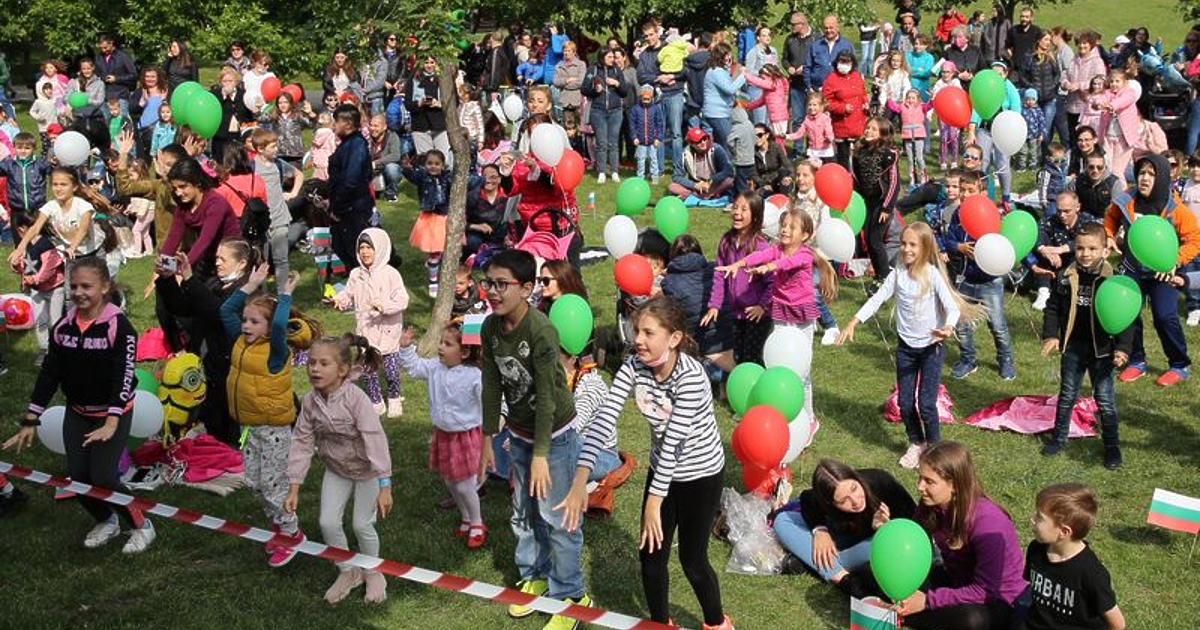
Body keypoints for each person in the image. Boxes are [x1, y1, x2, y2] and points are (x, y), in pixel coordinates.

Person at [560, 297, 734, 630]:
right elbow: (604, 418)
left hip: (700, 475)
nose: (638, 338)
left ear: (673, 338)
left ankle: (717, 623)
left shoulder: (692, 377)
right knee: (651, 558)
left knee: (693, 561)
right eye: (637, 330)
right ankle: (659, 624)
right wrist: (581, 477)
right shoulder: (633, 366)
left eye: (648, 333)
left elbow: (674, 442)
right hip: (663, 471)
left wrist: (655, 500)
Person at [4, 257, 156, 553]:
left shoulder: (119, 327)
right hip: (77, 414)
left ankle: (141, 525)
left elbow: (123, 377)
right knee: (79, 479)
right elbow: (50, 372)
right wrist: (30, 418)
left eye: (87, 286)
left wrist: (111, 422)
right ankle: (106, 520)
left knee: (103, 477)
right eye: (74, 286)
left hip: (112, 413)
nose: (79, 292)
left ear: (104, 287)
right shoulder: (63, 326)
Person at [477, 249, 592, 630]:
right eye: (488, 282)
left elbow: (546, 396)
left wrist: (541, 453)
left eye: (501, 284)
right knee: (523, 513)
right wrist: (487, 438)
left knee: (558, 518)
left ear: (526, 289)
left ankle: (571, 596)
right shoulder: (491, 328)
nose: (492, 292)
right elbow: (492, 383)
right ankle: (536, 574)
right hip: (521, 435)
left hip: (554, 437)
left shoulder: (541, 330)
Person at [838, 223, 976, 467]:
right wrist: (854, 321)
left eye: (912, 244)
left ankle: (934, 449)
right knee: (903, 402)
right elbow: (878, 298)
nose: (906, 249)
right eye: (903, 243)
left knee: (926, 403)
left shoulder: (932, 274)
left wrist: (948, 327)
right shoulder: (898, 273)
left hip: (931, 347)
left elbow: (952, 308)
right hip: (906, 347)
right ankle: (917, 442)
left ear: (924, 248)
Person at [220, 265, 317, 567]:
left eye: (254, 322)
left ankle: (291, 534)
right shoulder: (240, 342)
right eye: (245, 320)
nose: (246, 326)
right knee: (254, 483)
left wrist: (285, 296)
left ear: (268, 326)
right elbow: (225, 311)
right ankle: (278, 526)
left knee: (274, 488)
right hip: (249, 427)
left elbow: (278, 328)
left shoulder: (277, 350)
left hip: (274, 430)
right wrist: (251, 285)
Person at [285, 334, 393, 604]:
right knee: (327, 522)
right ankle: (348, 571)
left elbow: (375, 438)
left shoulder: (356, 399)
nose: (315, 369)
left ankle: (373, 571)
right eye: (311, 363)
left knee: (361, 524)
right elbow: (301, 440)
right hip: (336, 469)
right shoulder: (310, 401)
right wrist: (294, 485)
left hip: (367, 471)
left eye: (323, 364)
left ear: (342, 370)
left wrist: (384, 485)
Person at [717, 208, 836, 418]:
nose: (785, 230)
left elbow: (788, 263)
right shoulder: (777, 248)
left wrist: (768, 267)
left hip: (802, 316)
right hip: (781, 312)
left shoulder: (805, 254)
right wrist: (739, 263)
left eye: (792, 227)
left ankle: (808, 417)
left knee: (802, 370)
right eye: (784, 225)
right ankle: (780, 407)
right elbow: (760, 254)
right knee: (778, 364)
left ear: (806, 235)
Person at [896, 441, 1027, 630]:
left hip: (997, 601)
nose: (920, 487)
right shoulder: (931, 503)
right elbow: (912, 538)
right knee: (888, 577)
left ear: (955, 485)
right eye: (920, 478)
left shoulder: (989, 523)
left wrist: (927, 601)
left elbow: (985, 590)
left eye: (929, 481)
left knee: (969, 620)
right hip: (956, 582)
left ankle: (907, 618)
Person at [1039, 222, 1130, 467]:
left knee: (1105, 400)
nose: (1085, 254)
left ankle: (1112, 447)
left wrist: (1122, 349)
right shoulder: (1066, 277)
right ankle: (1058, 438)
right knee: (1067, 395)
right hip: (1073, 348)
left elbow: (1128, 319)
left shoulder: (1115, 282)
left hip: (1103, 351)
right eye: (1080, 248)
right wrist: (1052, 335)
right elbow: (1053, 308)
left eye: (1092, 248)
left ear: (1105, 251)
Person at [1105, 155, 1200, 386]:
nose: (1144, 178)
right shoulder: (1126, 200)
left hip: (1162, 273)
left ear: (1163, 178)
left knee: (1165, 316)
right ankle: (1137, 360)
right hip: (1132, 269)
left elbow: (1194, 239)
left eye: (1151, 174)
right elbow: (1111, 216)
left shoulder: (1175, 209)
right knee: (1128, 314)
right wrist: (1108, 236)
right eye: (1141, 173)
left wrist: (1175, 261)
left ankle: (1179, 364)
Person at [154, 240, 257, 446]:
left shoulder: (249, 290)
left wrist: (191, 279)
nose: (217, 263)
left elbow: (218, 312)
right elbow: (182, 307)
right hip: (205, 366)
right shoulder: (213, 283)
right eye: (216, 258)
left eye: (222, 259)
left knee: (227, 428)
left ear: (242, 263)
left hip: (229, 370)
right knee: (209, 421)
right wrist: (167, 280)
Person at [398, 322, 486, 548]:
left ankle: (477, 522)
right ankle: (466, 517)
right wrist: (406, 348)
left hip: (466, 437)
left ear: (465, 351)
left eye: (447, 344)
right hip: (444, 436)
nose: (440, 348)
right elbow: (414, 367)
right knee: (450, 482)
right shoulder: (435, 368)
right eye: (441, 342)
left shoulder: (474, 375)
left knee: (465, 485)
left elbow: (489, 405)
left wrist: (491, 434)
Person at [773, 460, 916, 592]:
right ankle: (841, 576)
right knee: (782, 520)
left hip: (877, 544)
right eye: (843, 501)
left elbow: (914, 526)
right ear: (830, 503)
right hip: (843, 536)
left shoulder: (881, 483)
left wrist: (884, 530)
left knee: (887, 548)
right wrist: (820, 531)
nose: (855, 501)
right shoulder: (823, 499)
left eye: (854, 488)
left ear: (856, 477)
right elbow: (806, 499)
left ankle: (825, 567)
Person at [1025, 483, 1126, 630]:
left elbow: (1118, 624)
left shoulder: (1091, 573)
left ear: (1064, 532)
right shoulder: (1036, 549)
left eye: (1040, 517)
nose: (1032, 519)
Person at [331, 229, 408, 418]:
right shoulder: (356, 274)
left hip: (387, 332)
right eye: (362, 247)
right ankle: (376, 402)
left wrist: (383, 307)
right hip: (365, 333)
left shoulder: (391, 274)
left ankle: (394, 398)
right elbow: (348, 294)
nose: (365, 252)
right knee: (368, 371)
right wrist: (339, 301)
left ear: (380, 249)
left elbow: (402, 299)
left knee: (391, 372)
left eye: (369, 248)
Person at [948, 170, 1016, 381]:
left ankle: (1005, 360)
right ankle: (968, 359)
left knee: (997, 324)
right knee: (961, 324)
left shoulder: (992, 214)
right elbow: (947, 240)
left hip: (990, 282)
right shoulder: (957, 215)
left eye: (971, 190)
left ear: (982, 192)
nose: (966, 194)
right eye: (963, 190)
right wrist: (958, 246)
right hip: (966, 279)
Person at [8, 167, 107, 266]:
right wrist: (21, 247)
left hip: (94, 252)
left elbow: (83, 230)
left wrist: (73, 246)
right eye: (55, 184)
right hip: (72, 255)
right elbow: (36, 227)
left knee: (97, 281)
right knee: (70, 282)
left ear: (74, 187)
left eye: (63, 185)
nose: (59, 189)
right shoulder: (50, 207)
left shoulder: (83, 207)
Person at [160, 158, 241, 276]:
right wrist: (163, 266)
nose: (178, 193)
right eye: (175, 188)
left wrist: (182, 270)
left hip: (230, 259)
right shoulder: (183, 205)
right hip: (207, 258)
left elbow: (205, 239)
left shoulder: (216, 203)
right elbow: (174, 237)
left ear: (197, 183)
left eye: (183, 187)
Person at [10, 213, 65, 363]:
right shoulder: (25, 245)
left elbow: (49, 268)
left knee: (55, 321)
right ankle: (44, 350)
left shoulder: (46, 244)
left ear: (23, 228)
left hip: (55, 289)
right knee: (40, 320)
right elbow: (26, 266)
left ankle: (58, 351)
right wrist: (17, 265)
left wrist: (33, 279)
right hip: (37, 290)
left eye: (18, 231)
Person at [327, 104, 373, 275]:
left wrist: (338, 207)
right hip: (345, 205)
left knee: (355, 249)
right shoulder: (347, 144)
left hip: (353, 206)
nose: (334, 126)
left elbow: (351, 179)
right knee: (341, 246)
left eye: (336, 122)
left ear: (347, 123)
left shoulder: (356, 145)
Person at [636, 19, 686, 177]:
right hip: (657, 96)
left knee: (676, 133)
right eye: (646, 36)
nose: (649, 38)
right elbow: (641, 76)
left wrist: (672, 75)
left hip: (675, 93)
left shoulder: (671, 48)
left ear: (657, 33)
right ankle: (659, 169)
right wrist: (659, 78)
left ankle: (678, 170)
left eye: (651, 34)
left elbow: (684, 71)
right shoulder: (644, 55)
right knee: (658, 134)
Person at [853, 117, 900, 279]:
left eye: (874, 129)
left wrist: (887, 207)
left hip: (882, 203)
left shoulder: (889, 154)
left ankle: (885, 275)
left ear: (882, 133)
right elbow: (857, 179)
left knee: (875, 240)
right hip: (867, 202)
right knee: (867, 238)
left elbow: (894, 183)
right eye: (867, 128)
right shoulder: (859, 152)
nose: (868, 131)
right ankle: (879, 275)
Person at [1031, 191, 1093, 310]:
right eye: (1059, 211)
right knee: (1042, 249)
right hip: (1053, 264)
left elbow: (1090, 240)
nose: (1062, 215)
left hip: (1076, 264)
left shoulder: (1087, 221)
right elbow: (1037, 233)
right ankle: (1043, 290)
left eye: (1067, 211)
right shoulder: (1050, 221)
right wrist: (1044, 250)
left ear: (1077, 207)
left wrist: (1062, 249)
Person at [403, 150, 453, 297]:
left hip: (444, 216)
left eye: (437, 164)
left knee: (444, 248)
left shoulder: (447, 177)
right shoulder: (422, 177)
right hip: (430, 217)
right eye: (430, 163)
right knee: (434, 251)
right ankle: (433, 281)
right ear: (425, 165)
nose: (433, 167)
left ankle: (437, 268)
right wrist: (407, 168)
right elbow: (412, 176)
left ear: (443, 165)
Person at [584, 49, 629, 184]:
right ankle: (602, 171)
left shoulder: (616, 71)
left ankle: (615, 171)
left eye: (614, 57)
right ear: (602, 57)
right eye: (610, 57)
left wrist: (617, 84)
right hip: (598, 110)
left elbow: (624, 92)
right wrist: (594, 89)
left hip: (615, 111)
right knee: (601, 142)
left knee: (613, 142)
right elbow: (584, 89)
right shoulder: (593, 70)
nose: (613, 59)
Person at [822, 50, 867, 168]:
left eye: (847, 62)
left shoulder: (857, 76)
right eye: (842, 61)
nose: (844, 64)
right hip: (842, 125)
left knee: (860, 158)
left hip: (858, 124)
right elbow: (826, 102)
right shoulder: (831, 79)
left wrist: (866, 103)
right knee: (843, 159)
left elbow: (863, 94)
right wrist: (842, 108)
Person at [1063, 30, 1106, 145]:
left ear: (1091, 44)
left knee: (1087, 139)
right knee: (1073, 138)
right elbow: (1065, 74)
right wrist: (1065, 83)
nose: (1082, 46)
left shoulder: (1097, 61)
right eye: (1080, 43)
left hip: (1088, 108)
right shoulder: (1074, 60)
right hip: (1072, 105)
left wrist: (1079, 85)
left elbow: (1100, 80)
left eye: (1085, 43)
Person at [668, 127, 734, 201]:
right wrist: (695, 185)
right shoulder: (685, 154)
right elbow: (676, 177)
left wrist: (710, 181)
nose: (703, 142)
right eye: (698, 141)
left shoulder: (717, 149)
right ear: (691, 143)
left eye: (704, 138)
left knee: (729, 181)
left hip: (714, 183)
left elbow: (728, 170)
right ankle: (707, 195)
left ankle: (695, 197)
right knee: (672, 186)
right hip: (696, 185)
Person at [701, 43, 745, 148]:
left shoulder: (719, 71)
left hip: (718, 113)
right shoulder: (716, 72)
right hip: (717, 114)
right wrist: (743, 76)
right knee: (729, 144)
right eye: (727, 55)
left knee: (719, 146)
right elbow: (730, 89)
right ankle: (727, 164)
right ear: (720, 56)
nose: (729, 57)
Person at [887, 89, 934, 187]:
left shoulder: (921, 107)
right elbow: (893, 107)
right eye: (908, 98)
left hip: (919, 135)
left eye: (913, 98)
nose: (910, 100)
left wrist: (932, 98)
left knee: (919, 157)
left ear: (917, 99)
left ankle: (924, 176)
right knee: (910, 158)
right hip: (907, 135)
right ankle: (912, 178)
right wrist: (889, 98)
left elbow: (930, 105)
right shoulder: (902, 107)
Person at [0, 132, 51, 221]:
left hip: (37, 208)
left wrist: (54, 165)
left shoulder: (40, 163)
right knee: (18, 234)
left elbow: (55, 173)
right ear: (14, 147)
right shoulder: (9, 164)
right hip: (16, 209)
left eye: (27, 148)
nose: (23, 151)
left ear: (34, 148)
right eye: (19, 148)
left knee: (38, 233)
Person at [805, 15, 855, 94]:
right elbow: (807, 67)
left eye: (831, 28)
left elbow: (854, 68)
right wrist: (809, 87)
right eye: (826, 28)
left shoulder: (847, 45)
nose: (828, 30)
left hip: (840, 90)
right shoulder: (815, 46)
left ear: (837, 28)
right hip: (817, 90)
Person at [784, 13, 816, 132]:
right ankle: (797, 148)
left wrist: (805, 67)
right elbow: (784, 58)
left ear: (802, 24)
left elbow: (819, 59)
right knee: (797, 118)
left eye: (793, 24)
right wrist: (788, 67)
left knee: (813, 117)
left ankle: (811, 147)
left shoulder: (816, 38)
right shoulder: (790, 39)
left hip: (811, 84)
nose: (791, 27)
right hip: (796, 84)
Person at [94, 33, 137, 114]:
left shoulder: (122, 56)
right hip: (104, 96)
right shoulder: (98, 57)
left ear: (111, 43)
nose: (103, 50)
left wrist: (116, 79)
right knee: (107, 123)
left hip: (120, 95)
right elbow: (97, 75)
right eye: (101, 48)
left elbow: (133, 75)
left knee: (122, 122)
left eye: (105, 47)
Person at [630, 85, 664, 183]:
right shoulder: (635, 109)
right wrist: (634, 137)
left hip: (653, 140)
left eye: (648, 99)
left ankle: (655, 176)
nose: (645, 101)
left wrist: (658, 138)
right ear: (640, 97)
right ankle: (640, 177)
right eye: (644, 99)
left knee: (654, 159)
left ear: (652, 98)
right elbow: (632, 125)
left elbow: (659, 124)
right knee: (640, 159)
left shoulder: (656, 109)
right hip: (640, 140)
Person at [1018, 89, 1047, 172]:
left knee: (1033, 151)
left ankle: (1032, 164)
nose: (1029, 101)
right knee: (1022, 151)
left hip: (1034, 135)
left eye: (1032, 99)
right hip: (1023, 134)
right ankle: (1022, 165)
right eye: (1027, 99)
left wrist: (1041, 134)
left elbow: (1042, 123)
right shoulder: (1022, 110)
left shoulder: (1038, 111)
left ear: (1035, 100)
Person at [1036, 143, 1068, 216]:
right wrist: (1043, 199)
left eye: (1062, 160)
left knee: (1060, 214)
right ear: (1048, 158)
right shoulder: (1046, 171)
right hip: (1050, 199)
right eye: (1056, 161)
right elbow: (1042, 186)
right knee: (1051, 215)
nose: (1059, 163)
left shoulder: (1060, 168)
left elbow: (1062, 179)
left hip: (1060, 197)